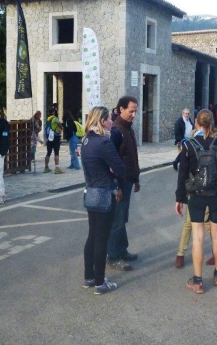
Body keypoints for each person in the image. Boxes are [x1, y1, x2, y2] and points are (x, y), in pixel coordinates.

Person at [175, 109, 217, 294]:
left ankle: (198, 280)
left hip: (196, 195)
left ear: (197, 123)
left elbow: (182, 174)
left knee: (198, 237)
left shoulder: (188, 145)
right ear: (212, 123)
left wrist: (179, 198)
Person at [81, 106, 126, 295]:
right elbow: (120, 168)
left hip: (90, 191)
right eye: (109, 119)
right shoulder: (104, 142)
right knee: (101, 239)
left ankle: (89, 276)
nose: (111, 122)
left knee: (92, 236)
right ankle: (100, 283)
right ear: (101, 121)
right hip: (105, 193)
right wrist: (112, 169)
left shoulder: (86, 141)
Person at [106, 95, 141, 271]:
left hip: (128, 180)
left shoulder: (128, 129)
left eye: (135, 111)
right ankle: (112, 256)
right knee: (117, 220)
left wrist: (136, 178)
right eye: (131, 111)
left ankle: (122, 250)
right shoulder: (116, 131)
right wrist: (117, 186)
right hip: (120, 183)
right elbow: (112, 163)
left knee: (123, 218)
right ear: (121, 109)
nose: (134, 115)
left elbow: (132, 157)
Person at [44, 109, 64, 174]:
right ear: (54, 113)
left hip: (49, 138)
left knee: (48, 153)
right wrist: (61, 128)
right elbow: (59, 123)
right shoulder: (55, 118)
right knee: (56, 153)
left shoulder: (47, 120)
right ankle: (57, 168)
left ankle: (46, 167)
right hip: (56, 137)